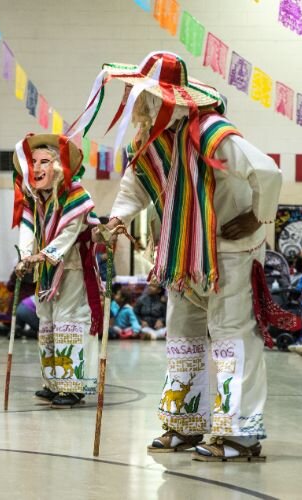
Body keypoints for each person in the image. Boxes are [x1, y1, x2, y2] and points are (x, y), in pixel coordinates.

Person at [74, 52, 289, 460]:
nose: (137, 103)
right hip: (180, 251)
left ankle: (239, 434)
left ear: (169, 99)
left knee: (231, 335)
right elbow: (134, 187)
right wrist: (117, 221)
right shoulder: (150, 143)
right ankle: (186, 422)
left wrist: (257, 218)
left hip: (229, 249)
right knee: (184, 335)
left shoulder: (211, 132)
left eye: (146, 94)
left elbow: (268, 172)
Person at [12, 133, 102, 409]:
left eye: (44, 162)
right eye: (33, 162)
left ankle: (73, 386)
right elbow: (28, 229)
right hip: (45, 271)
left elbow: (70, 232)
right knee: (47, 323)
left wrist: (46, 254)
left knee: (69, 321)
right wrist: (25, 257)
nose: (37, 168)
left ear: (59, 165)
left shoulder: (76, 193)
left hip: (72, 267)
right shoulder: (33, 197)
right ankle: (53, 382)